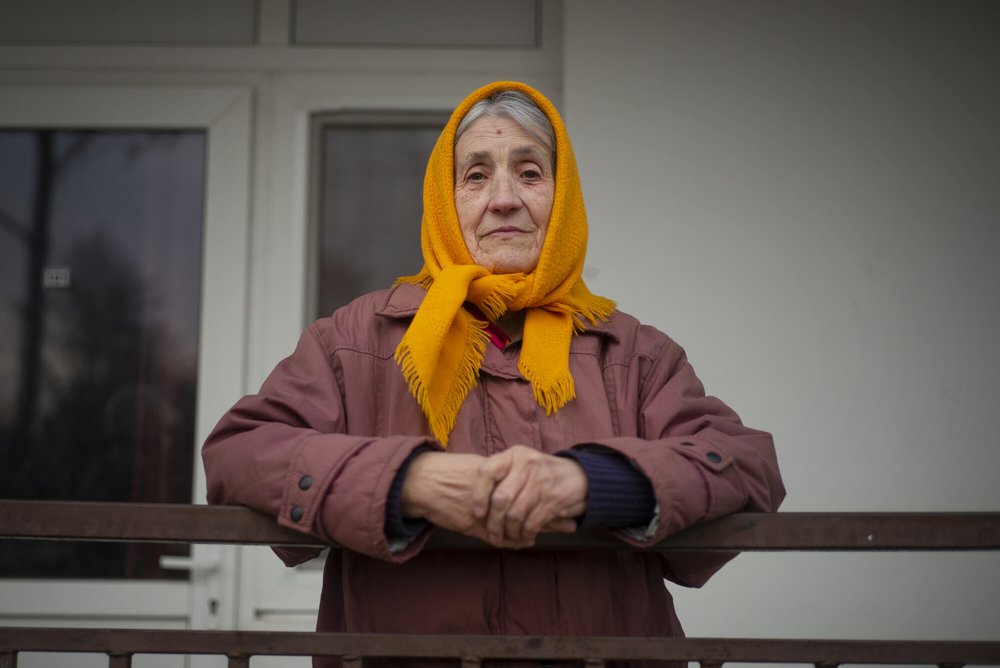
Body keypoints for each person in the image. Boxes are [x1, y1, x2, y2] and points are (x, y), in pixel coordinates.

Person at [203, 81, 785, 667]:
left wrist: (596, 485)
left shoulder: (635, 353)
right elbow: (241, 452)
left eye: (530, 172)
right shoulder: (355, 341)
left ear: (562, 199)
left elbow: (747, 465)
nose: (504, 198)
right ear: (444, 199)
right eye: (476, 175)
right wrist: (408, 482)